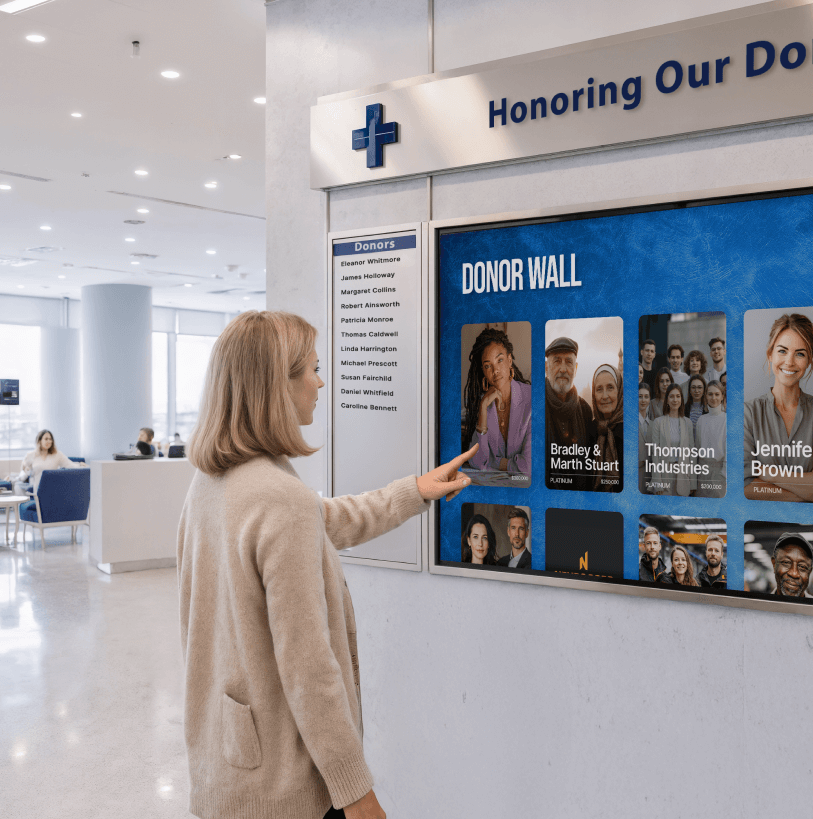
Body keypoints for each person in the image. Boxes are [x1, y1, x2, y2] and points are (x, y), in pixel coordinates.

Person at [177, 310, 474, 819]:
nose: (320, 382)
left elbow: (324, 521)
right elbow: (309, 670)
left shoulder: (210, 484)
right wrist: (356, 795)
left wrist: (413, 492)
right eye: (312, 369)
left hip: (227, 769)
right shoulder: (277, 497)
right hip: (288, 791)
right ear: (276, 385)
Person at [743, 313, 813, 503]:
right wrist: (809, 482)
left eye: (800, 353)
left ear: (809, 360)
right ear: (770, 354)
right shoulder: (748, 413)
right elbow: (745, 488)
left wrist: (768, 474)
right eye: (782, 351)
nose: (789, 362)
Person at [462, 327, 532, 479]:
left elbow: (528, 467)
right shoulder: (485, 404)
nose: (495, 371)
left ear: (509, 360)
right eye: (488, 366)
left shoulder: (532, 398)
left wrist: (495, 463)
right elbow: (477, 461)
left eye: (499, 360)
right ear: (483, 371)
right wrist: (482, 407)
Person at [544, 337, 594, 489]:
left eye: (569, 362)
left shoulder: (585, 410)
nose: (563, 369)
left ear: (576, 369)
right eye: (557, 361)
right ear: (546, 368)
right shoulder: (534, 407)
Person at [648, 384, 695, 496]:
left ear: (681, 400)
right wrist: (657, 482)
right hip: (664, 475)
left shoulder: (688, 423)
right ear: (667, 400)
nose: (675, 400)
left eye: (678, 396)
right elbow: (655, 454)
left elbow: (692, 454)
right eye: (672, 396)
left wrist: (693, 483)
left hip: (683, 476)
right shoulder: (658, 422)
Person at [588, 364, 623, 490]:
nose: (604, 396)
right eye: (599, 389)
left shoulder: (630, 430)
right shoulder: (589, 430)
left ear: (619, 391)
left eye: (610, 388)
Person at [694, 380, 727, 498]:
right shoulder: (701, 420)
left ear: (722, 396)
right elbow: (697, 448)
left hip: (719, 473)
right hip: (702, 472)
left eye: (717, 394)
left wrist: (723, 476)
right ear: (706, 396)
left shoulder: (726, 420)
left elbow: (729, 451)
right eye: (710, 394)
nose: (713, 398)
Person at [770, 532, 813, 598]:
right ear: (774, 564)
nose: (794, 574)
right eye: (786, 562)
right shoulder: (759, 606)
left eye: (802, 566)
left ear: (809, 572)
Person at [637, 382, 653, 493]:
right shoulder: (630, 423)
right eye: (640, 396)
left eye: (646, 397)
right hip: (636, 475)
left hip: (651, 476)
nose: (643, 400)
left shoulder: (653, 424)